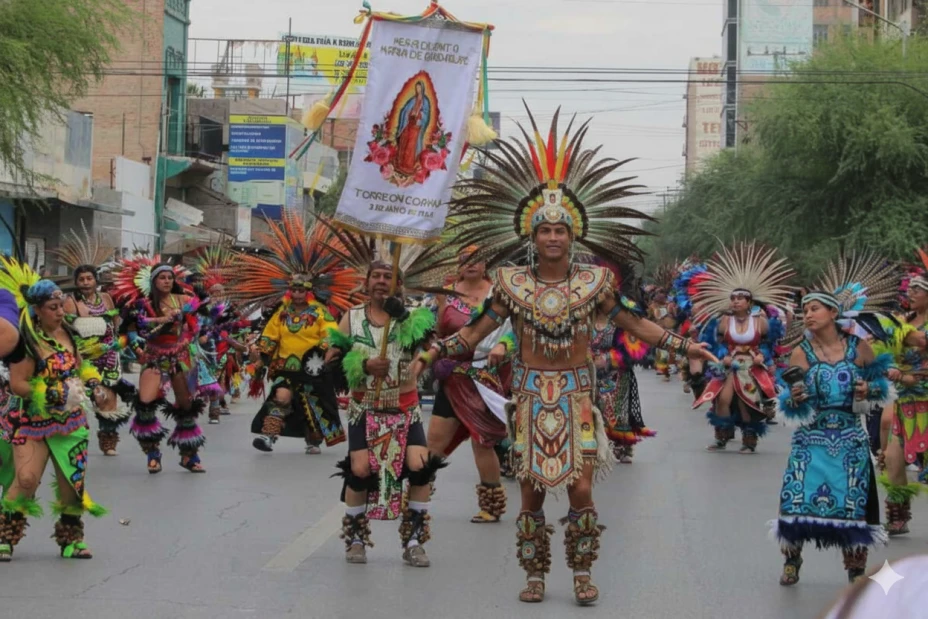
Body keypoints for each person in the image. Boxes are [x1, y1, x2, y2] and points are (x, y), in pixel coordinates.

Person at [415, 106, 717, 605]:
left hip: (577, 398)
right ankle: (535, 574)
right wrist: (433, 354)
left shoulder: (595, 284)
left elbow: (636, 324)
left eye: (560, 230)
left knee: (580, 490)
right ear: (531, 236)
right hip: (530, 397)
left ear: (572, 235)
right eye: (544, 230)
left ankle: (581, 571)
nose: (553, 236)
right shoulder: (511, 285)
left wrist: (685, 346)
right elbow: (472, 333)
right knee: (530, 491)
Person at [772, 252, 898, 586]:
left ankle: (855, 570)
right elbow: (789, 403)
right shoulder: (801, 352)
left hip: (850, 439)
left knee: (853, 504)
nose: (808, 315)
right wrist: (795, 399)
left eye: (814, 308)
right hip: (810, 440)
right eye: (804, 310)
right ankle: (792, 559)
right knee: (796, 496)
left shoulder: (859, 347)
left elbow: (882, 388)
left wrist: (867, 389)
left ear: (833, 312)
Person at [327, 251, 441, 567]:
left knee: (420, 468)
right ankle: (355, 540)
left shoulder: (415, 315)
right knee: (360, 470)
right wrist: (363, 365)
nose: (381, 282)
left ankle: (414, 541)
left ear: (398, 284)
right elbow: (331, 359)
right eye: (375, 276)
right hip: (364, 408)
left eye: (387, 277)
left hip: (405, 408)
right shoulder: (352, 317)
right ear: (366, 283)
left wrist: (403, 319)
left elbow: (434, 345)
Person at [227, 210, 360, 455]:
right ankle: (268, 437)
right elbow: (270, 335)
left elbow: (330, 334)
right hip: (286, 367)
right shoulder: (282, 313)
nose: (297, 294)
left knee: (313, 407)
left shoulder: (320, 312)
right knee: (281, 398)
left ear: (309, 291)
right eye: (294, 289)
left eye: (301, 290)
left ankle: (313, 440)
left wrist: (324, 352)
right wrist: (260, 353)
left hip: (313, 369)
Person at [0, 259, 107, 561]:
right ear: (37, 310)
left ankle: (71, 540)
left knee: (72, 485)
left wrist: (94, 383)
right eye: (53, 307)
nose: (61, 312)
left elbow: (81, 366)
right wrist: (51, 393)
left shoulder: (69, 334)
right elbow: (17, 384)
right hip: (32, 423)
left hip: (71, 424)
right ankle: (5, 536)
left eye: (61, 306)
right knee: (25, 480)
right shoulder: (26, 342)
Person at [428, 245, 514, 523]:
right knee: (434, 441)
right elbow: (437, 333)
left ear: (486, 263)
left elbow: (516, 330)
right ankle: (417, 497)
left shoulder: (499, 293)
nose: (471, 264)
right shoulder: (445, 294)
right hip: (453, 377)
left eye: (477, 259)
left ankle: (492, 505)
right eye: (465, 259)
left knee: (483, 443)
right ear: (458, 263)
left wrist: (502, 346)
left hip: (486, 379)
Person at [690, 243, 792, 453]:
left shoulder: (761, 321)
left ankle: (749, 440)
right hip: (730, 365)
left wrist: (763, 357)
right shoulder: (724, 321)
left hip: (751, 367)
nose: (735, 302)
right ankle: (722, 436)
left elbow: (769, 344)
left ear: (749, 302)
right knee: (722, 400)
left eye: (740, 299)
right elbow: (716, 343)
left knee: (747, 402)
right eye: (733, 299)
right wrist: (722, 357)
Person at [113, 258, 207, 474]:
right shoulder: (142, 304)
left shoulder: (184, 299)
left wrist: (189, 330)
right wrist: (139, 348)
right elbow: (131, 330)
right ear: (153, 281)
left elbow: (199, 319)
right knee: (145, 403)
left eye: (169, 278)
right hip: (154, 356)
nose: (166, 281)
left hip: (180, 356)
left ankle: (189, 455)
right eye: (162, 278)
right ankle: (152, 453)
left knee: (186, 406)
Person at [877, 261, 928, 536]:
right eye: (910, 289)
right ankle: (898, 516)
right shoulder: (902, 322)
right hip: (903, 399)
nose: (911, 293)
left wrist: (910, 377)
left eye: (917, 289)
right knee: (893, 457)